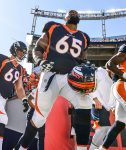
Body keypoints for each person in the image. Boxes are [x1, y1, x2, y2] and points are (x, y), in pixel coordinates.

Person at [18, 10, 91, 150]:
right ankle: (21, 148)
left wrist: (85, 68)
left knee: (85, 104)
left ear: (79, 19)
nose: (73, 12)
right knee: (38, 120)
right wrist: (39, 61)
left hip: (72, 78)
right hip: (51, 76)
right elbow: (38, 48)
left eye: (76, 12)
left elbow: (83, 59)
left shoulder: (83, 37)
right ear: (65, 18)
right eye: (70, 12)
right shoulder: (54, 28)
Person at [98, 44, 126, 150]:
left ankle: (103, 148)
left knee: (120, 123)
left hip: (121, 87)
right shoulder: (124, 51)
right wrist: (123, 74)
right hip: (123, 85)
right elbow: (109, 64)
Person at [89, 67, 115, 150]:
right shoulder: (100, 71)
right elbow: (90, 84)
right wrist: (95, 99)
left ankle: (95, 148)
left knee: (103, 130)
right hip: (97, 105)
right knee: (103, 129)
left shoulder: (112, 81)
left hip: (105, 109)